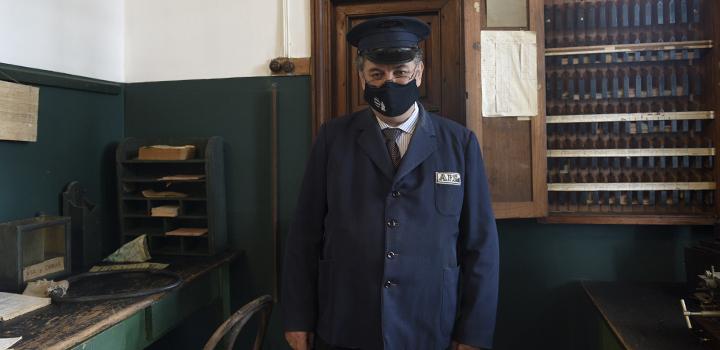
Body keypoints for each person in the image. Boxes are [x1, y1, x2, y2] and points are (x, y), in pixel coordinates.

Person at [282, 16, 499, 350]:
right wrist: (297, 316)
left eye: (400, 72)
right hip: (346, 323)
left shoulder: (460, 143)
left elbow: (481, 246)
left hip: (429, 325)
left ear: (419, 72)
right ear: (361, 77)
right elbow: (304, 234)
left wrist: (473, 332)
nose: (390, 83)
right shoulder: (332, 139)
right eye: (377, 74)